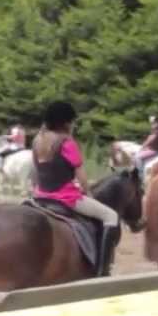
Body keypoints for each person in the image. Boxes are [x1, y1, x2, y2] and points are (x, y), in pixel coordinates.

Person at [32, 101, 121, 276]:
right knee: (111, 215)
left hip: (40, 196)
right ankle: (102, 270)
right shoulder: (67, 143)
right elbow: (81, 176)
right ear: (65, 122)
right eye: (72, 121)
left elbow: (36, 171)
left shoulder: (37, 140)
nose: (73, 125)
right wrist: (88, 193)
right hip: (65, 198)